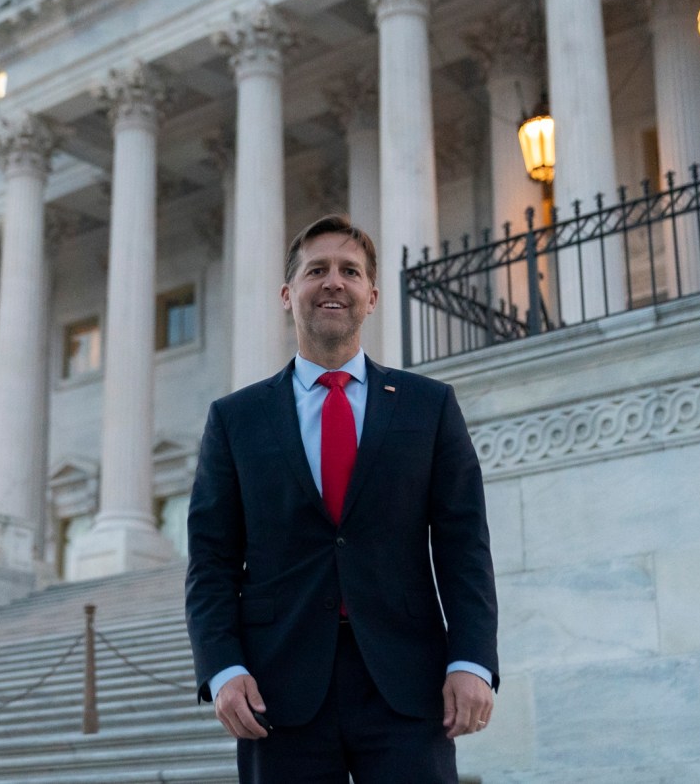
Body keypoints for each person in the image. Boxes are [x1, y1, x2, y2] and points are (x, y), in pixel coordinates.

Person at [185, 214, 499, 783]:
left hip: (407, 683)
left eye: (350, 271)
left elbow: (464, 547)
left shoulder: (429, 408)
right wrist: (222, 667)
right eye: (317, 270)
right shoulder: (235, 420)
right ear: (287, 293)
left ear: (371, 296)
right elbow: (211, 560)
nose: (334, 282)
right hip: (276, 690)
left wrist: (472, 659)